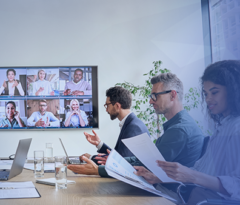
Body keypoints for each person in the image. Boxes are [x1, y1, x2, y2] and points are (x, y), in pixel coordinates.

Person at [134, 60, 240, 204]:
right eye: (205, 93)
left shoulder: (235, 128)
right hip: (193, 195)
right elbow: (199, 170)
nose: (208, 99)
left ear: (233, 90)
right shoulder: (223, 126)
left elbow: (236, 185)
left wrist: (191, 176)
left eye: (214, 92)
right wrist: (159, 177)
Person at [68, 73, 203, 177]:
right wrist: (102, 152)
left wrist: (98, 169)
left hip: (167, 195)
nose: (150, 101)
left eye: (155, 96)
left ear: (173, 95)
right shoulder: (176, 126)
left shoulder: (179, 130)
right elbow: (139, 160)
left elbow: (149, 165)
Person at [67, 86, 149, 175]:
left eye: (107, 105)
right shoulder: (131, 123)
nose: (106, 109)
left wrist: (91, 158)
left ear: (117, 106)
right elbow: (120, 157)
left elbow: (121, 164)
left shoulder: (133, 127)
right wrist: (99, 144)